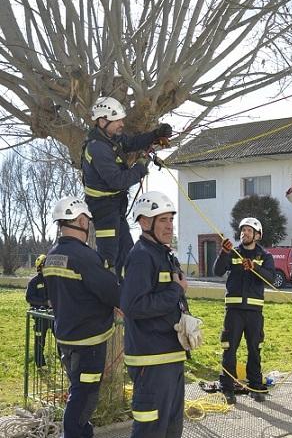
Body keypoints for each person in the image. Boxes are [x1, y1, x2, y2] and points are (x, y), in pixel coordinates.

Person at [121, 191, 200, 438]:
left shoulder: (163, 254)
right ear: (145, 222)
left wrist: (184, 317)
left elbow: (168, 299)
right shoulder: (142, 256)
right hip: (152, 361)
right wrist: (176, 290)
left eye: (170, 219)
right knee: (151, 430)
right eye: (162, 219)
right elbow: (134, 306)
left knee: (171, 428)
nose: (169, 226)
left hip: (170, 355)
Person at [43, 197, 120, 438]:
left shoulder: (52, 255)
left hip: (66, 337)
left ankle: (83, 432)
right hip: (89, 342)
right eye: (87, 222)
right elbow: (111, 291)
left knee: (78, 389)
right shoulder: (85, 256)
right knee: (84, 395)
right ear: (81, 220)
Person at [82, 96, 172, 276]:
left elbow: (131, 143)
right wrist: (140, 166)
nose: (122, 124)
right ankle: (104, 298)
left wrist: (155, 134)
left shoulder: (111, 138)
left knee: (127, 253)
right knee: (109, 258)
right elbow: (117, 180)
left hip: (115, 206)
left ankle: (126, 295)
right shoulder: (97, 148)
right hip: (104, 209)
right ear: (102, 121)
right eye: (117, 121)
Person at [214, 217, 275, 405]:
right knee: (229, 350)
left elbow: (270, 279)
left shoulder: (265, 256)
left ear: (257, 235)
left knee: (255, 350)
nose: (244, 233)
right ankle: (227, 388)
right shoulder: (233, 252)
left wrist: (255, 267)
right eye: (243, 230)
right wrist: (223, 253)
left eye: (249, 230)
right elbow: (217, 271)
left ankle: (255, 386)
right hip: (234, 311)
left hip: (254, 312)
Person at [25, 254, 50, 368]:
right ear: (40, 267)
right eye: (45, 265)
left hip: (54, 316)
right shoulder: (34, 282)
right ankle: (40, 365)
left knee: (61, 340)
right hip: (40, 316)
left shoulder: (53, 281)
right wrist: (45, 303)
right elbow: (29, 298)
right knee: (40, 341)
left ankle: (65, 364)